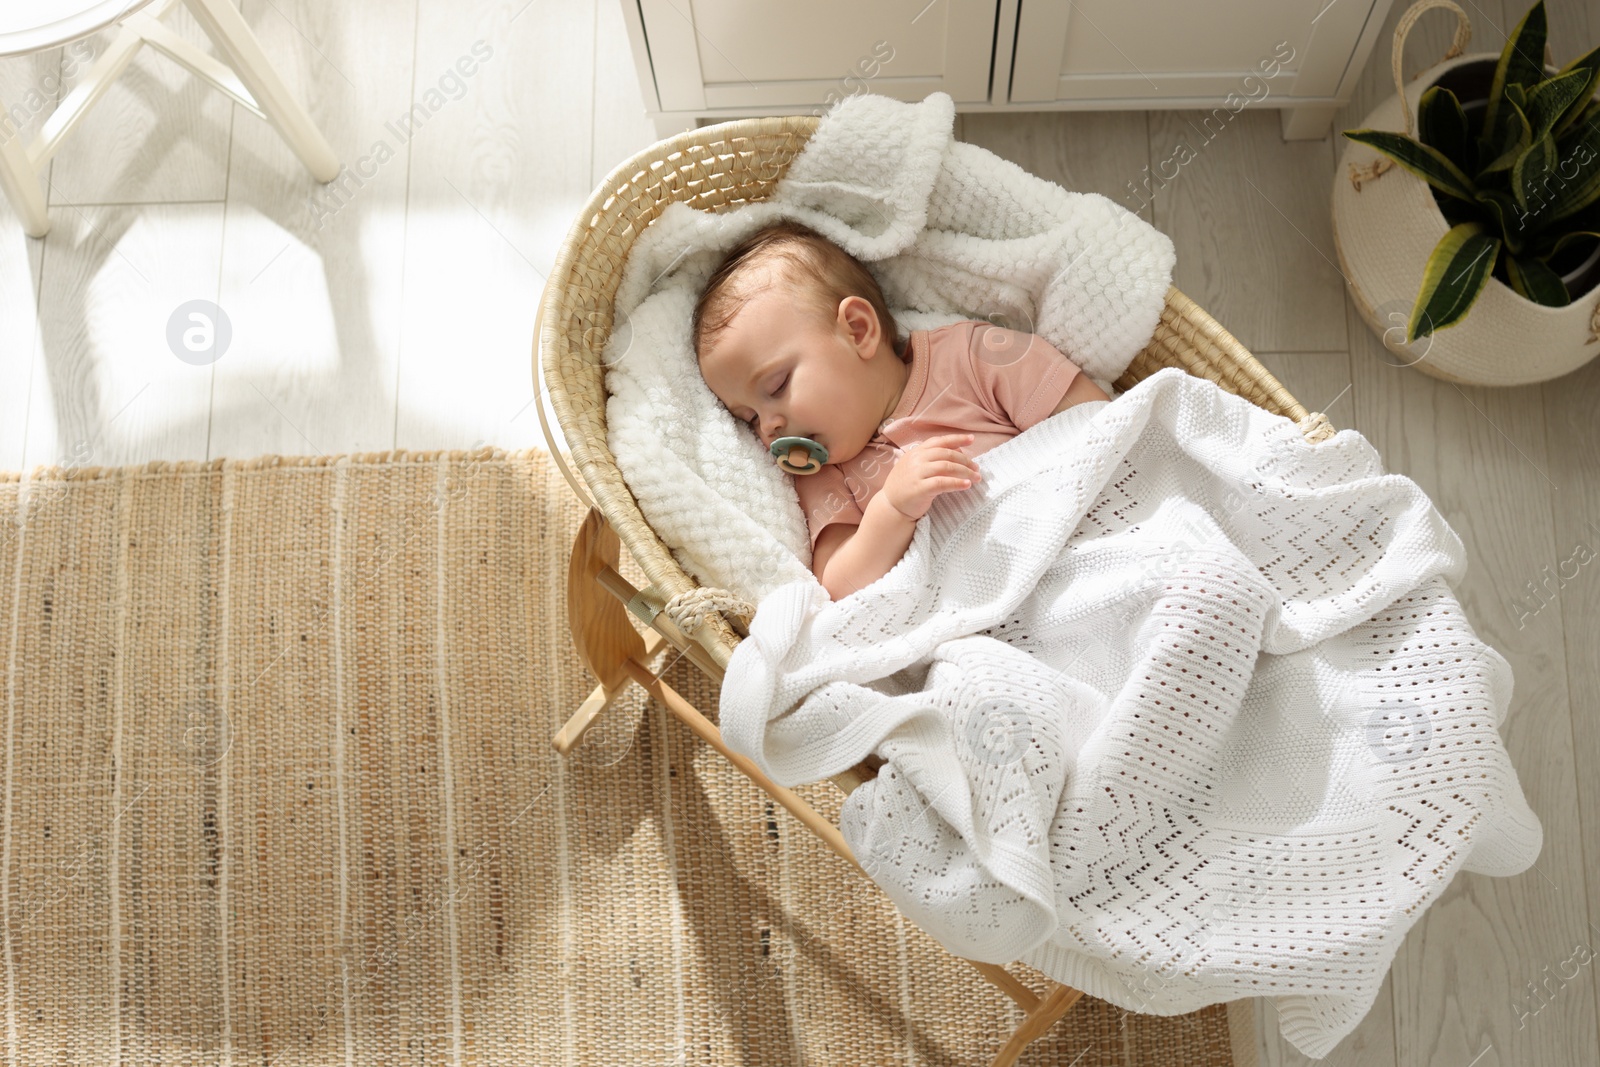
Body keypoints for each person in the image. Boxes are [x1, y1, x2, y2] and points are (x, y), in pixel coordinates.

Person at [694, 219, 1109, 601]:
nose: (769, 427)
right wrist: (891, 511)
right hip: (977, 608)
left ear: (858, 330)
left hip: (1076, 543)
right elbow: (840, 585)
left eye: (777, 386)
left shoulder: (968, 358)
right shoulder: (824, 475)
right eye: (749, 418)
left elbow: (1098, 423)